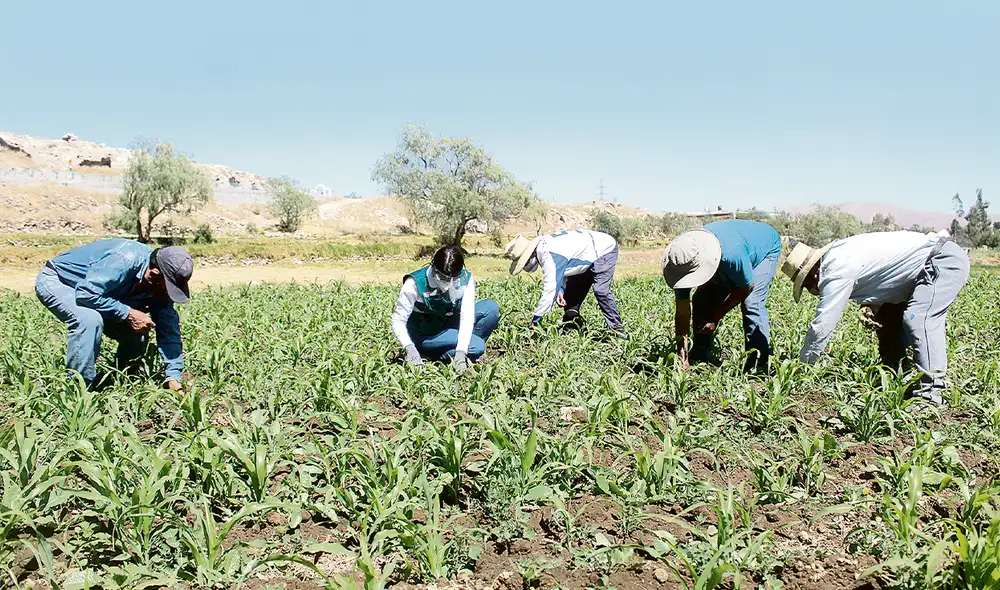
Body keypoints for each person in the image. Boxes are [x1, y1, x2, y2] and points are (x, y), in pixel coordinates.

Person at [782, 230, 969, 405]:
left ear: (813, 274)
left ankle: (930, 396)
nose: (809, 291)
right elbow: (885, 271)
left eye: (805, 285)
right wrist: (873, 304)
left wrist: (802, 368)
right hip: (919, 270)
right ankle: (896, 380)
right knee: (887, 318)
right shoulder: (839, 255)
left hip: (941, 261)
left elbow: (823, 325)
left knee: (919, 318)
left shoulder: (835, 269)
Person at [34, 238, 193, 390]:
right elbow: (86, 294)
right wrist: (128, 313)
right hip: (59, 280)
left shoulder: (161, 286)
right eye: (169, 287)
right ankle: (78, 390)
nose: (167, 292)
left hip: (98, 292)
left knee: (138, 330)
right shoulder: (125, 259)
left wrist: (173, 375)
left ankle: (122, 378)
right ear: (155, 274)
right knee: (89, 319)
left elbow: (168, 328)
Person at [662, 220, 782, 372]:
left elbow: (746, 287)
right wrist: (682, 355)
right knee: (701, 298)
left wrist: (716, 317)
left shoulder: (731, 255)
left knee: (752, 303)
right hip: (733, 247)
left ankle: (759, 364)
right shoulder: (679, 261)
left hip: (764, 247)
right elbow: (682, 313)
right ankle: (700, 355)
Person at [391, 245, 499, 370]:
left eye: (453, 278)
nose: (448, 283)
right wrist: (409, 347)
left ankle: (458, 353)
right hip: (426, 335)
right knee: (477, 346)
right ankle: (433, 353)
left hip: (450, 324)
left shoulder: (465, 279)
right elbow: (398, 320)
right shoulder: (415, 283)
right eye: (443, 277)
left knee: (490, 308)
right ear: (434, 267)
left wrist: (461, 351)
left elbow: (467, 317)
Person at [504, 229, 626, 337]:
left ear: (530, 256)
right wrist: (561, 289)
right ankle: (572, 324)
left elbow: (549, 291)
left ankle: (618, 332)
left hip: (604, 249)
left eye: (523, 262)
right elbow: (566, 267)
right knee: (569, 296)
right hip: (586, 253)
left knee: (601, 291)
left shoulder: (548, 254)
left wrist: (536, 320)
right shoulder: (545, 248)